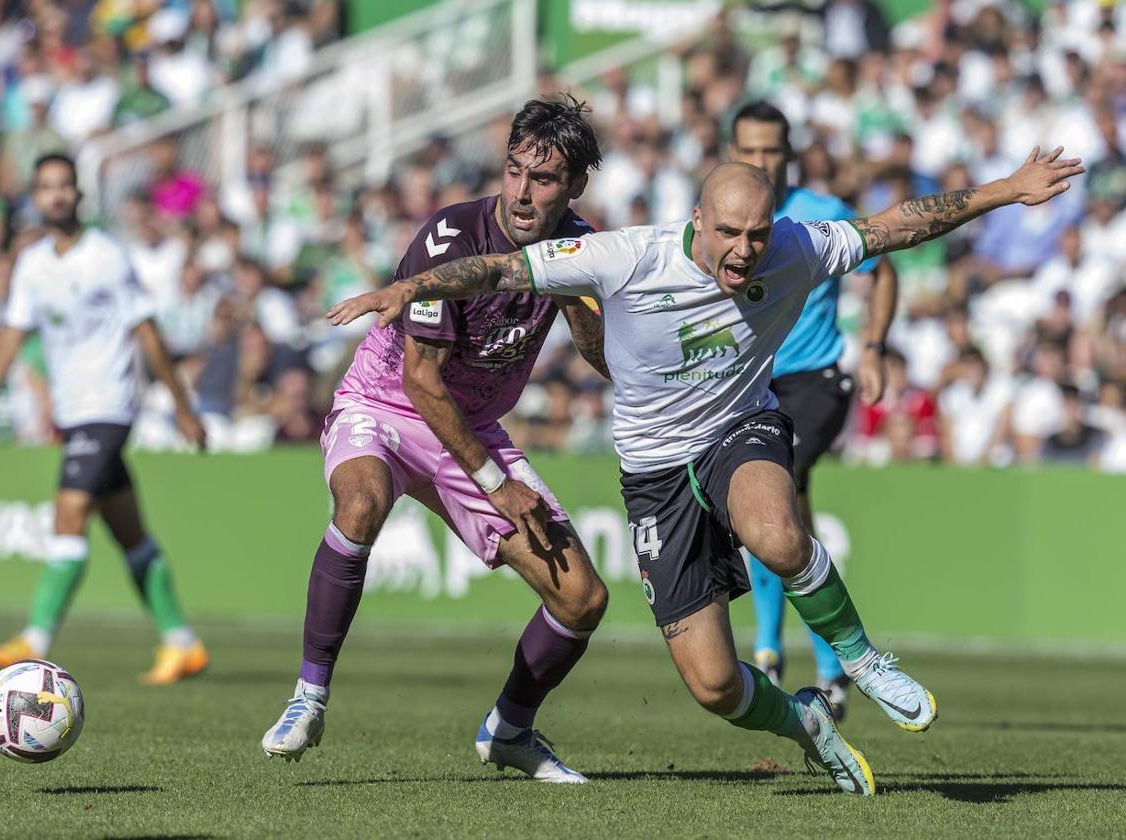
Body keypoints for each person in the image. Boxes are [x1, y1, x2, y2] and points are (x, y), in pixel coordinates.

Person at [328, 147, 1084, 795]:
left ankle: (861, 658)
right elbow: (497, 268)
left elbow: (898, 225)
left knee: (777, 536)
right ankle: (805, 722)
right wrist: (409, 289)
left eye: (757, 234)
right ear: (696, 221)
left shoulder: (798, 246)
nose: (745, 250)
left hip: (738, 429)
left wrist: (1005, 190)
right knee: (715, 686)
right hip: (654, 474)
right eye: (729, 233)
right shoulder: (623, 256)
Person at [260, 96, 612, 784]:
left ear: (573, 188)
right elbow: (422, 381)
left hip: (472, 428)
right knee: (358, 505)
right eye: (514, 170)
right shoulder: (452, 237)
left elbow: (604, 360)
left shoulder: (582, 245)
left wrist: (582, 298)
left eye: (542, 180)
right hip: (386, 405)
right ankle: (308, 697)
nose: (521, 190)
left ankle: (510, 729)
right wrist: (495, 484)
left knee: (583, 599)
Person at [0, 153, 210, 685]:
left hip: (109, 405)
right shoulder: (33, 263)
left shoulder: (106, 256)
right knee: (130, 535)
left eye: (64, 186)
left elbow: (146, 330)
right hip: (74, 412)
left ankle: (33, 640)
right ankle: (182, 643)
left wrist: (183, 405)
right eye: (46, 187)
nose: (55, 195)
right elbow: (13, 330)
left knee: (70, 512)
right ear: (36, 197)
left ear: (78, 195)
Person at [727, 101, 899, 719]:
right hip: (752, 387)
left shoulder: (820, 214)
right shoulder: (720, 221)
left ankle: (773, 649)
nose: (761, 161)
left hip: (818, 381)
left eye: (772, 149)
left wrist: (874, 348)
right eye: (749, 149)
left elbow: (881, 271)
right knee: (777, 512)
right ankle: (830, 667)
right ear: (731, 153)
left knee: (782, 484)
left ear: (790, 153)